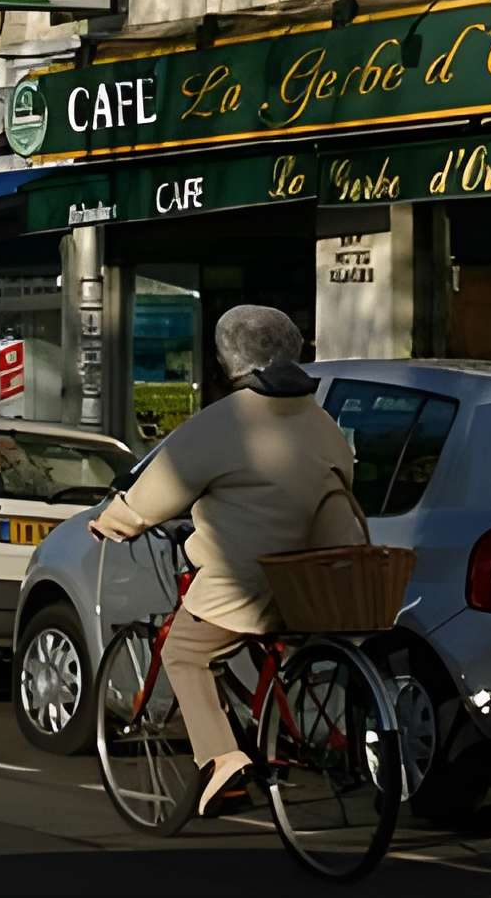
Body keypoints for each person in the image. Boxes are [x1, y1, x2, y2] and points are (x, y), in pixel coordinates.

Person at [91, 305, 355, 815]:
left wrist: (117, 520)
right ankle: (272, 733)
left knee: (186, 651)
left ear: (228, 359)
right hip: (316, 577)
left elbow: (162, 485)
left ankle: (223, 758)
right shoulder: (322, 422)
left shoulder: (227, 420)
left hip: (248, 576)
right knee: (251, 640)